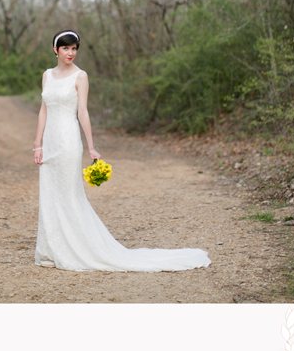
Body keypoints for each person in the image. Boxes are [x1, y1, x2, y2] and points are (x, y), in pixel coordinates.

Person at [32, 30, 211, 272]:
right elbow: (43, 110)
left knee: (70, 195)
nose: (70, 53)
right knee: (50, 193)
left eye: (74, 48)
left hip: (68, 142)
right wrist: (37, 144)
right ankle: (52, 249)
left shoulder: (80, 76)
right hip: (50, 141)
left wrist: (92, 148)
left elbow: (82, 112)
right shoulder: (46, 76)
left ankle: (78, 249)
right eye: (65, 48)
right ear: (55, 50)